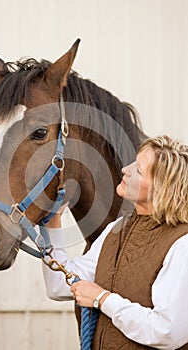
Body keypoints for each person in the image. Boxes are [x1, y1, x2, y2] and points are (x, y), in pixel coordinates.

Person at [42, 135, 188, 350]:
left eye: (138, 170)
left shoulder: (182, 244)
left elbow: (167, 332)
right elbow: (61, 286)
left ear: (162, 188)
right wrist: (51, 226)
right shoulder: (117, 229)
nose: (125, 170)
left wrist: (102, 299)